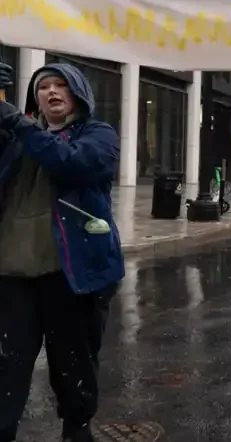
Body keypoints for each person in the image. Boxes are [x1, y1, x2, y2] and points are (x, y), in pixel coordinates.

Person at [0, 62, 123, 442]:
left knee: (72, 365)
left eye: (61, 86)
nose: (51, 92)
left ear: (79, 94)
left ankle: (77, 429)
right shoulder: (19, 138)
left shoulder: (98, 134)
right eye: (43, 87)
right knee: (6, 368)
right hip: (13, 274)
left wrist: (17, 122)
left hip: (72, 275)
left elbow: (73, 164)